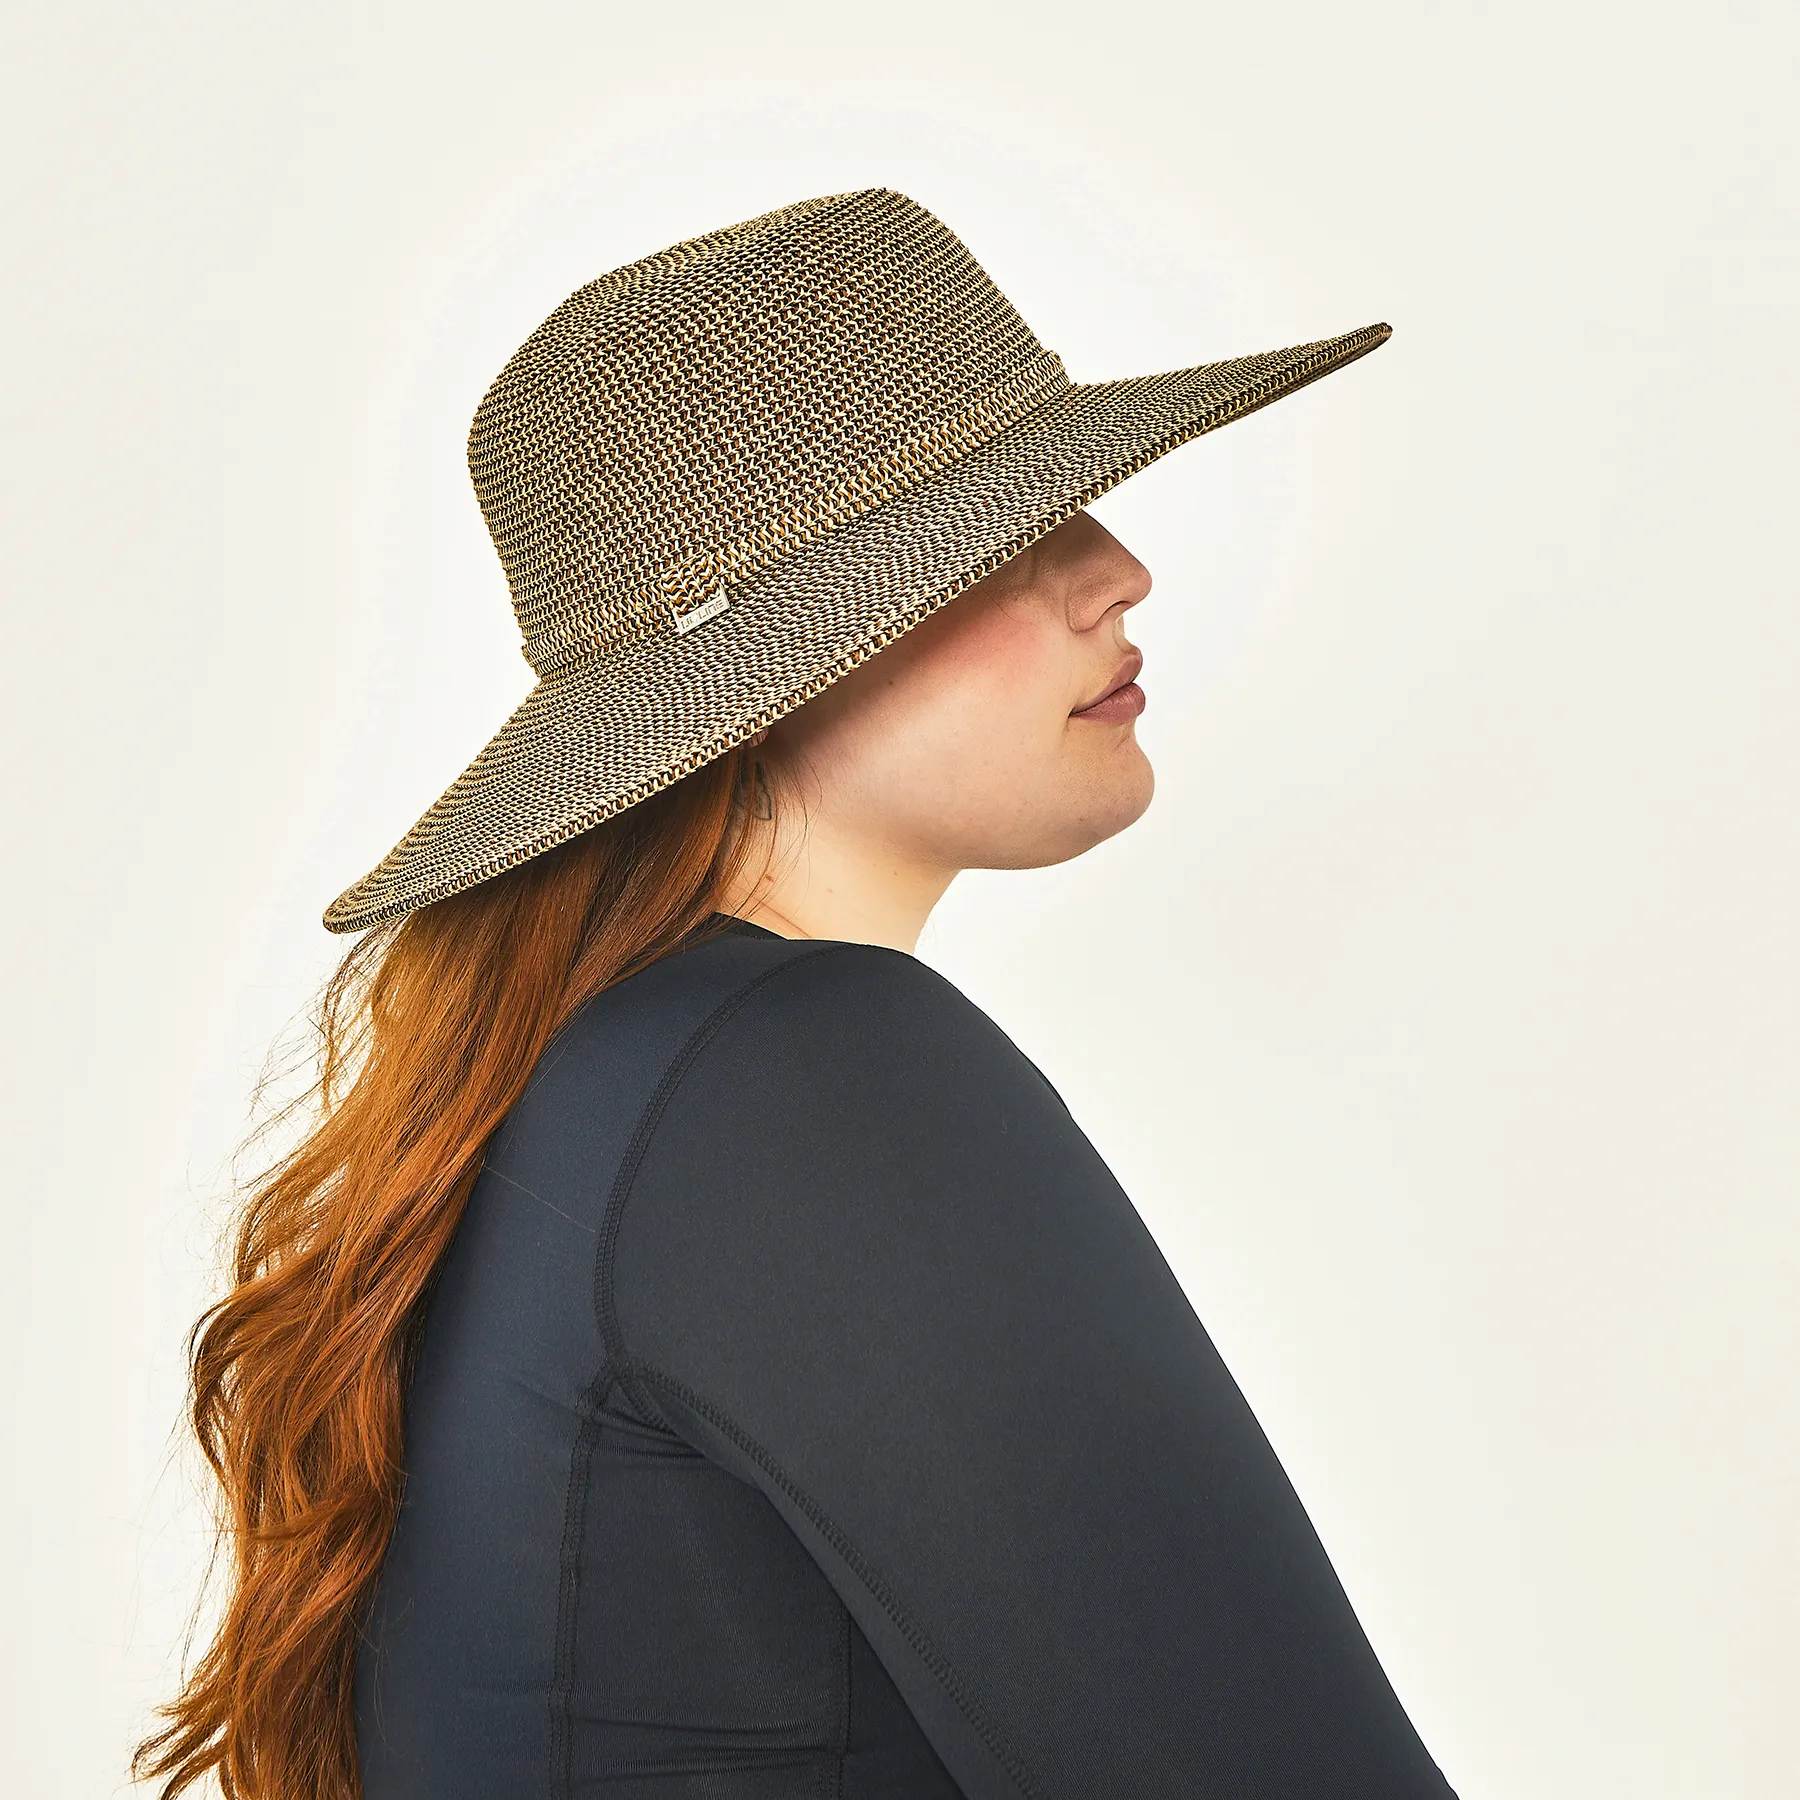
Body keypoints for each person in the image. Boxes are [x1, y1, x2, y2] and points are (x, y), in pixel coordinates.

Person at [136, 188, 1453, 1800]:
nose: (1120, 572)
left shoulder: (594, 1086)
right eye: (1009, 530)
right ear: (776, 656)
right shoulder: (809, 1079)